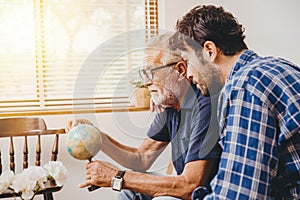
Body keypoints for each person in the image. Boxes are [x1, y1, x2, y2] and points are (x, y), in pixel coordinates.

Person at [66, 33, 221, 200]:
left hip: (206, 194)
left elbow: (191, 186)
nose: (146, 82)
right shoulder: (170, 105)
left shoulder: (205, 104)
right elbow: (141, 158)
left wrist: (116, 176)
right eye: (144, 74)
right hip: (188, 186)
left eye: (151, 72)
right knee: (129, 190)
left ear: (180, 70)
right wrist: (95, 136)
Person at [172, 4, 300, 199]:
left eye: (188, 61)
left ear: (209, 50)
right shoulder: (280, 67)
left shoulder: (245, 85)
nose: (188, 74)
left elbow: (240, 195)